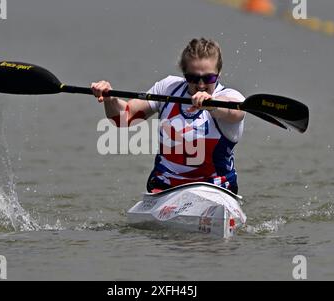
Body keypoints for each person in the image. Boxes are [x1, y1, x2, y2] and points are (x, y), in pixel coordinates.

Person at [91, 38, 245, 194]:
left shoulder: (231, 98)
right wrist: (110, 99)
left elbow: (235, 113)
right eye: (192, 78)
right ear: (184, 73)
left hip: (216, 190)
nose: (201, 85)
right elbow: (124, 118)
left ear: (219, 73)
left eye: (208, 78)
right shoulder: (168, 88)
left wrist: (212, 105)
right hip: (165, 189)